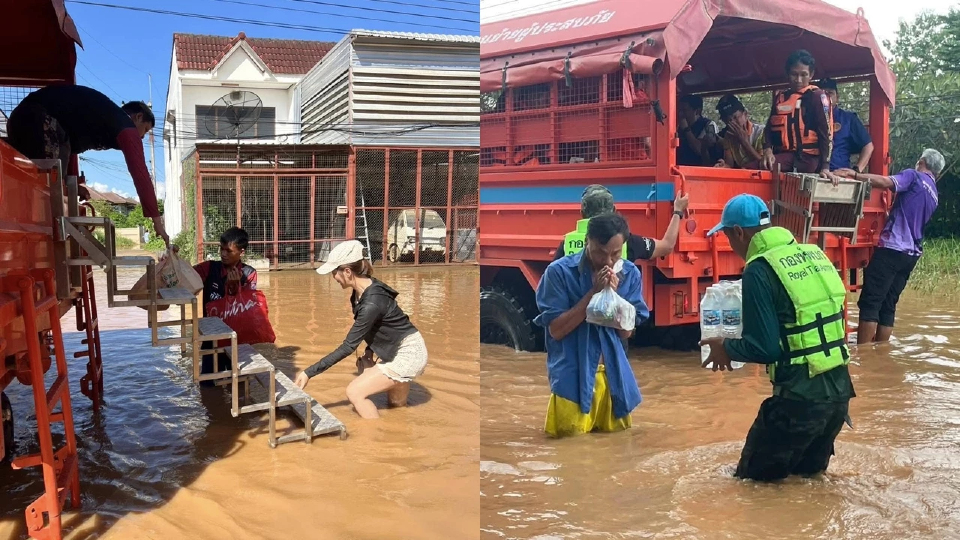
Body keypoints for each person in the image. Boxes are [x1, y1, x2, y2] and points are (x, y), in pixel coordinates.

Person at [700, 194, 855, 482]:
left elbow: (765, 348)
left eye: (727, 237)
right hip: (838, 397)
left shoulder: (759, 270)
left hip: (798, 401)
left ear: (739, 232)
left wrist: (725, 348)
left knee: (751, 486)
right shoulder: (812, 254)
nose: (731, 246)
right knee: (806, 484)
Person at [6, 85, 169, 245]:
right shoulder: (125, 125)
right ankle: (42, 232)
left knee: (36, 177)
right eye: (145, 130)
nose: (141, 137)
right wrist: (157, 222)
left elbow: (66, 150)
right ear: (138, 117)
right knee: (46, 186)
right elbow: (140, 173)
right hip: (35, 119)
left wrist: (72, 185)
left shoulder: (101, 119)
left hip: (21, 121)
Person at [535, 213, 650, 438]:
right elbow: (556, 331)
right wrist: (593, 294)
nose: (608, 261)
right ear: (587, 241)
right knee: (570, 452)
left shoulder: (630, 274)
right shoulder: (558, 272)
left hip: (615, 379)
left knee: (617, 451)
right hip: (572, 380)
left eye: (615, 254)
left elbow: (626, 333)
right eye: (600, 252)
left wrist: (614, 299)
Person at [295, 240, 427, 419]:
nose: (333, 277)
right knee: (397, 408)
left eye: (335, 272)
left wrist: (309, 372)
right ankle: (397, 440)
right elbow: (384, 324)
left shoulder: (371, 301)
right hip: (398, 348)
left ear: (347, 272)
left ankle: (373, 442)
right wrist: (369, 351)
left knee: (355, 393)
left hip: (408, 353)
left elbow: (348, 346)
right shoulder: (360, 293)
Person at [835, 149, 944, 344]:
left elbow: (886, 182)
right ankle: (882, 355)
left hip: (893, 248)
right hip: (911, 255)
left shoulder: (914, 176)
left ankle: (865, 357)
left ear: (921, 161)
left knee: (871, 303)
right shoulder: (934, 193)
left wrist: (855, 175)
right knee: (888, 305)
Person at [190, 227, 259, 383]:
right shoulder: (209, 268)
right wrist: (173, 259)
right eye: (221, 249)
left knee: (239, 383)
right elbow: (187, 277)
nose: (223, 254)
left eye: (228, 251)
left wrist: (234, 288)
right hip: (211, 337)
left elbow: (249, 307)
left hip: (238, 338)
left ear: (241, 252)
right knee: (207, 383)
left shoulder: (249, 274)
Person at [553, 184, 690, 262]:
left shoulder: (568, 242)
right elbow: (667, 246)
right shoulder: (626, 241)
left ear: (582, 213)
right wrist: (677, 211)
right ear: (614, 210)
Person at [759, 50, 836, 180]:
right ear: (788, 74)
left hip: (806, 159)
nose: (798, 80)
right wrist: (767, 149)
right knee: (759, 163)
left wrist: (825, 167)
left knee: (750, 168)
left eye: (803, 75)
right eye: (794, 74)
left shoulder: (817, 96)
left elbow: (826, 133)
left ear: (811, 75)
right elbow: (768, 129)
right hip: (784, 156)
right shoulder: (781, 98)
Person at [818, 78, 874, 173]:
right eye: (823, 94)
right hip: (812, 175)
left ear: (837, 97)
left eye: (830, 93)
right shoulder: (809, 118)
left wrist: (856, 171)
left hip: (839, 177)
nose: (826, 97)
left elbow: (868, 146)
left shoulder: (848, 119)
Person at [714, 94, 765, 169]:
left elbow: (764, 164)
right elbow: (729, 164)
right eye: (728, 120)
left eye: (735, 117)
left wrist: (744, 142)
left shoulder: (760, 132)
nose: (733, 123)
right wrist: (723, 166)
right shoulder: (728, 137)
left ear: (745, 114)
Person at [677, 94, 720, 166]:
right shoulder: (678, 127)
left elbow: (699, 149)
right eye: (679, 110)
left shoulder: (708, 125)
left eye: (684, 110)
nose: (681, 114)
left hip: (700, 169)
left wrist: (686, 129)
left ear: (697, 111)